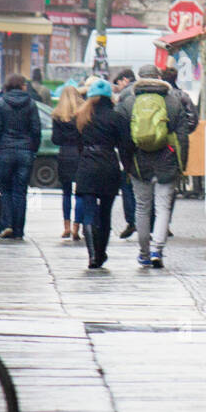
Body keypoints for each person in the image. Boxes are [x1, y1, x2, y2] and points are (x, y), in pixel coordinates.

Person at [118, 64, 191, 269]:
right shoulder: (172, 100)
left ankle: (143, 252)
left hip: (138, 162)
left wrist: (127, 163)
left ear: (140, 78)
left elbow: (122, 137)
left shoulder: (128, 101)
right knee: (163, 207)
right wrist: (181, 164)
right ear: (158, 77)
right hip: (167, 159)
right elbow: (183, 137)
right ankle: (158, 249)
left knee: (142, 207)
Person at [0, 73, 41, 240]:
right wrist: (32, 150)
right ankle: (19, 230)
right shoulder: (31, 104)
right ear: (20, 86)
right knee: (20, 191)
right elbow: (36, 131)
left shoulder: (0, 104)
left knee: (5, 190)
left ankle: (6, 225)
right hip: (25, 152)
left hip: (4, 152)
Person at [75, 78, 129, 269]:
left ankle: (92, 255)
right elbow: (125, 146)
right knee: (105, 213)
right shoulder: (117, 118)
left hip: (88, 164)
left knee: (89, 213)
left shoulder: (82, 116)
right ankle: (101, 252)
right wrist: (128, 168)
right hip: (108, 165)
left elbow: (77, 144)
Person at [161, 66, 198, 238]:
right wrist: (181, 132)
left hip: (156, 144)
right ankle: (165, 222)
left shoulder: (156, 96)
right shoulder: (182, 96)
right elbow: (193, 120)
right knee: (170, 186)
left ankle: (153, 221)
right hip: (175, 146)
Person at [51, 83, 86, 241]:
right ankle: (76, 228)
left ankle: (66, 227)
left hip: (64, 154)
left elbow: (55, 139)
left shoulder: (57, 116)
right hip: (80, 154)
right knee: (80, 193)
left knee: (66, 193)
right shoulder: (83, 115)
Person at [111, 68, 138, 238]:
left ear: (125, 80)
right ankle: (150, 224)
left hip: (128, 149)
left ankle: (132, 221)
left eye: (118, 83)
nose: (118, 87)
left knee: (128, 185)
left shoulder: (124, 99)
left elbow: (117, 126)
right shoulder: (145, 94)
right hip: (149, 147)